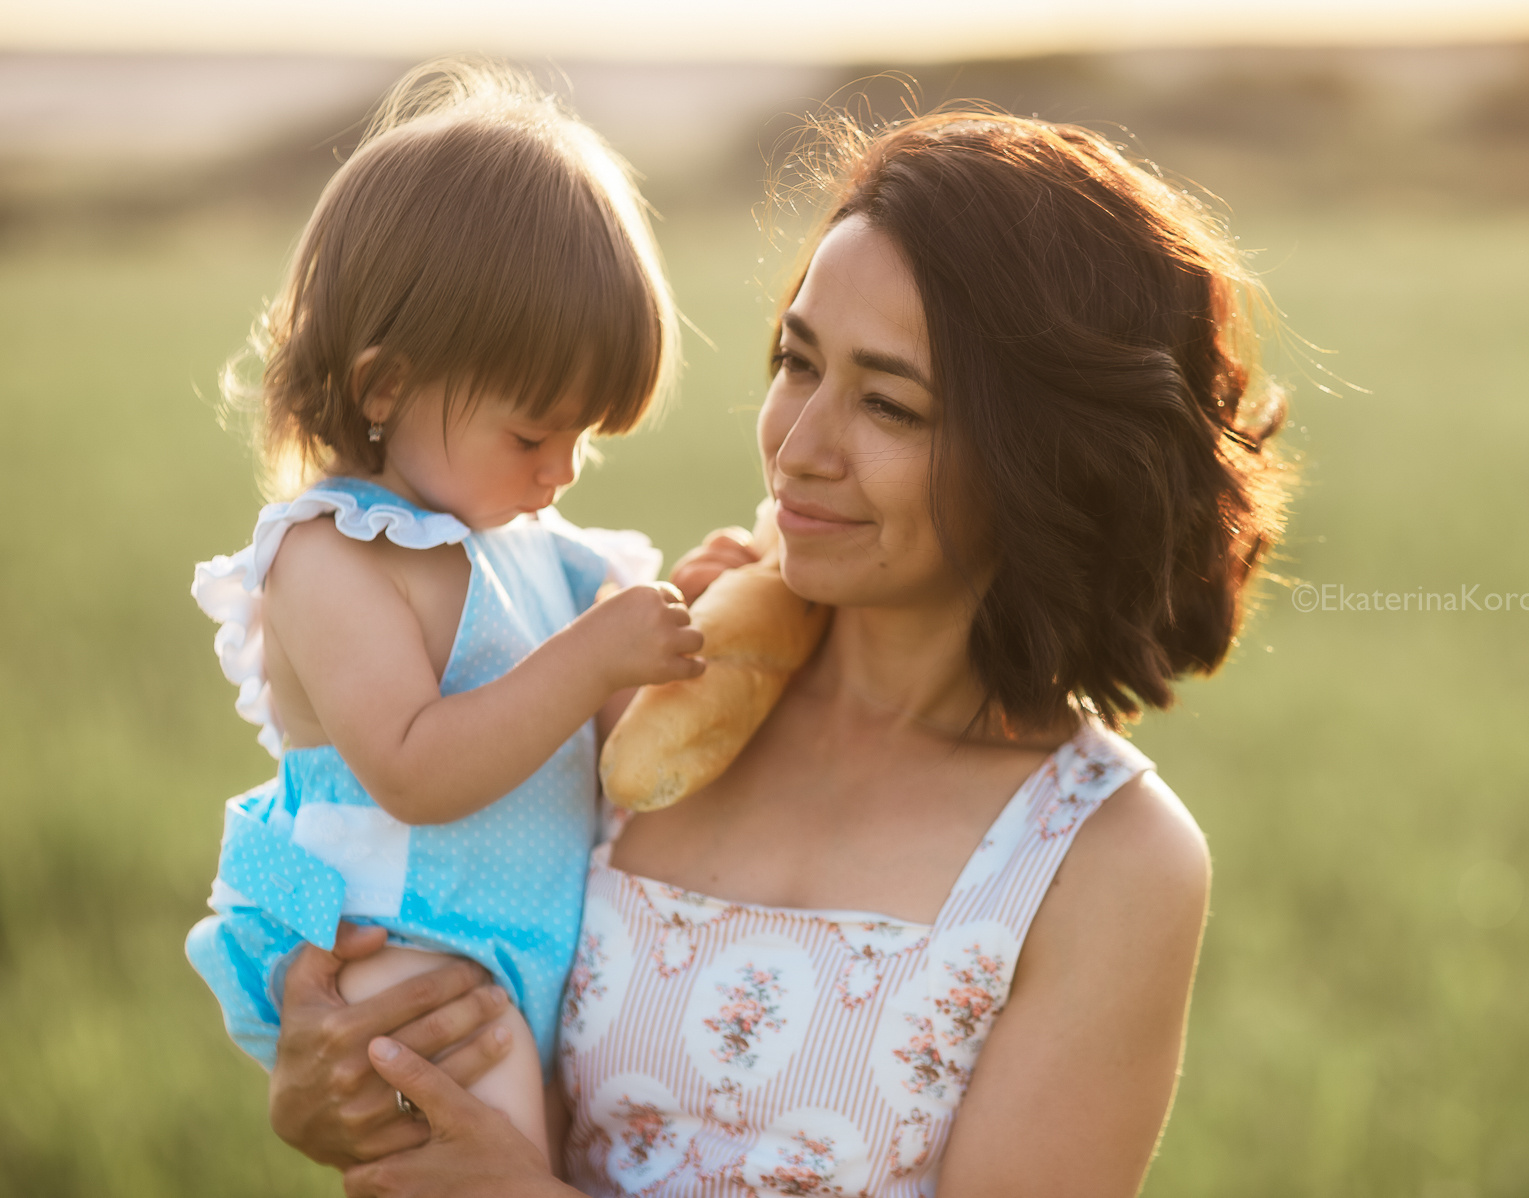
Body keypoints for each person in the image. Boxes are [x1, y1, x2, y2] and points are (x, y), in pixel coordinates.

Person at [265, 110, 1288, 1198]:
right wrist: (335, 1076)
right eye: (797, 363)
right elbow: (394, 910)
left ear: (1045, 463)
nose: (798, 451)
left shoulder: (1103, 862)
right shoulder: (640, 694)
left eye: (890, 404)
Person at [184, 61, 709, 1160]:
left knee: (556, 1157)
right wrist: (593, 657)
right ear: (385, 387)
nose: (563, 469)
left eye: (587, 436)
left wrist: (685, 617)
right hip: (397, 941)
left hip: (516, 941)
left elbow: (614, 730)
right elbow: (416, 770)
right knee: (488, 1163)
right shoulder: (332, 556)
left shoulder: (540, 553)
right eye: (534, 434)